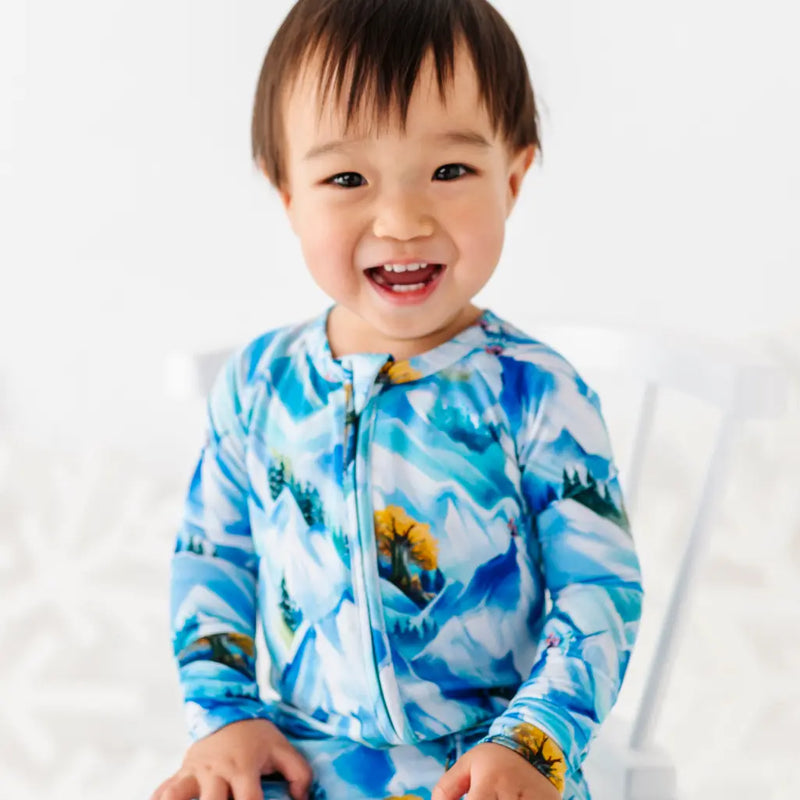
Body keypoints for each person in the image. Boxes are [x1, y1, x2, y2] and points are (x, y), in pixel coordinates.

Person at [151, 1, 644, 798]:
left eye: (450, 172)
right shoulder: (260, 386)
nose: (403, 219)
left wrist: (536, 741)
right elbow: (215, 559)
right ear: (287, 195)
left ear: (512, 179)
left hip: (491, 755)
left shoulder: (535, 393)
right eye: (346, 178)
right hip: (306, 751)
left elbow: (600, 591)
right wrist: (225, 715)